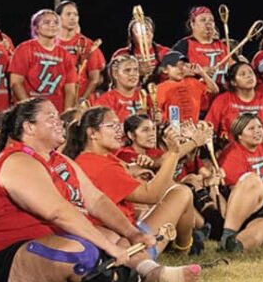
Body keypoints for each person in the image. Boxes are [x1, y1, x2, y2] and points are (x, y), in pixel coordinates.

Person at [0, 98, 199, 282]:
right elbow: (57, 212)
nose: (59, 122)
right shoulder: (18, 160)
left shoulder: (59, 159)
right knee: (84, 252)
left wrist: (132, 233)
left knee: (111, 235)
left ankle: (150, 273)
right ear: (29, 127)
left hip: (42, 238)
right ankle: (116, 275)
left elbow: (96, 200)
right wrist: (110, 247)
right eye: (50, 117)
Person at [66, 106, 203, 253]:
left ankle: (187, 243)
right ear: (92, 133)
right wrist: (174, 153)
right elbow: (152, 195)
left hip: (124, 231)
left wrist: (136, 171)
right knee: (182, 193)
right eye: (112, 126)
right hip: (128, 241)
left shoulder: (97, 157)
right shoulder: (100, 165)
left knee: (176, 191)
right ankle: (184, 248)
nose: (119, 131)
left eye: (119, 125)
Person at [216, 112, 263, 251]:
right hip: (243, 209)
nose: (258, 131)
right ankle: (228, 234)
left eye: (260, 127)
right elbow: (236, 192)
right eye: (251, 128)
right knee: (251, 180)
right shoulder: (232, 153)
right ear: (239, 135)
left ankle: (236, 246)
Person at [205, 61, 263, 143]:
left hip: (259, 152)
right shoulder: (222, 100)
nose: (249, 76)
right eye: (243, 74)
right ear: (233, 82)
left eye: (251, 73)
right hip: (230, 151)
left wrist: (250, 152)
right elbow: (208, 129)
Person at [55, 1, 105, 103]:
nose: (73, 18)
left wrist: (82, 100)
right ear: (58, 17)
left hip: (79, 100)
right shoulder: (51, 43)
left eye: (75, 15)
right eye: (68, 14)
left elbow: (94, 79)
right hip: (54, 98)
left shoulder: (87, 44)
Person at [155, 51, 220, 125]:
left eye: (183, 65)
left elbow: (214, 90)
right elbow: (157, 114)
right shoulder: (160, 88)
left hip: (193, 130)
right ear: (165, 70)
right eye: (175, 66)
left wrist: (202, 73)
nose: (180, 69)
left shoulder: (193, 82)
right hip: (172, 130)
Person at [111, 13, 171, 79]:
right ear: (131, 36)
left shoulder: (166, 52)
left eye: (147, 29)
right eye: (139, 30)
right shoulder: (121, 54)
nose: (144, 33)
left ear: (152, 33)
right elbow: (113, 78)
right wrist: (137, 72)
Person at [93, 55, 148, 122]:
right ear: (115, 74)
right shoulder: (106, 100)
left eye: (136, 70)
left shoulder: (144, 96)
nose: (133, 74)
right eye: (127, 70)